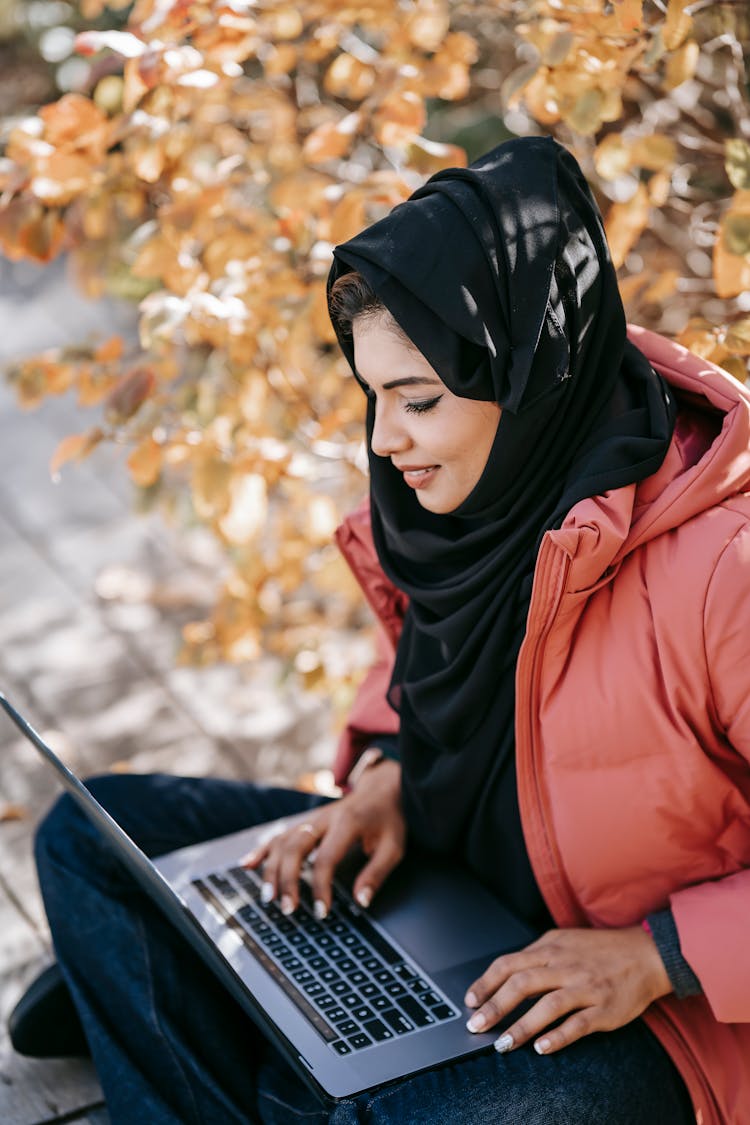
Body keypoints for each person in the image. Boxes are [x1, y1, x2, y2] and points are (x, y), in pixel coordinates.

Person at [10, 135, 750, 1123]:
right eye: (374, 397)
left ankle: (197, 1020)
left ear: (527, 379)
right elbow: (420, 686)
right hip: (452, 900)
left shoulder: (723, 570)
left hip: (654, 1014)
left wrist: (657, 956)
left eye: (418, 401)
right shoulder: (454, 513)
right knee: (94, 839)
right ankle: (250, 1026)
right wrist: (384, 781)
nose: (385, 439)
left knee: (347, 1108)